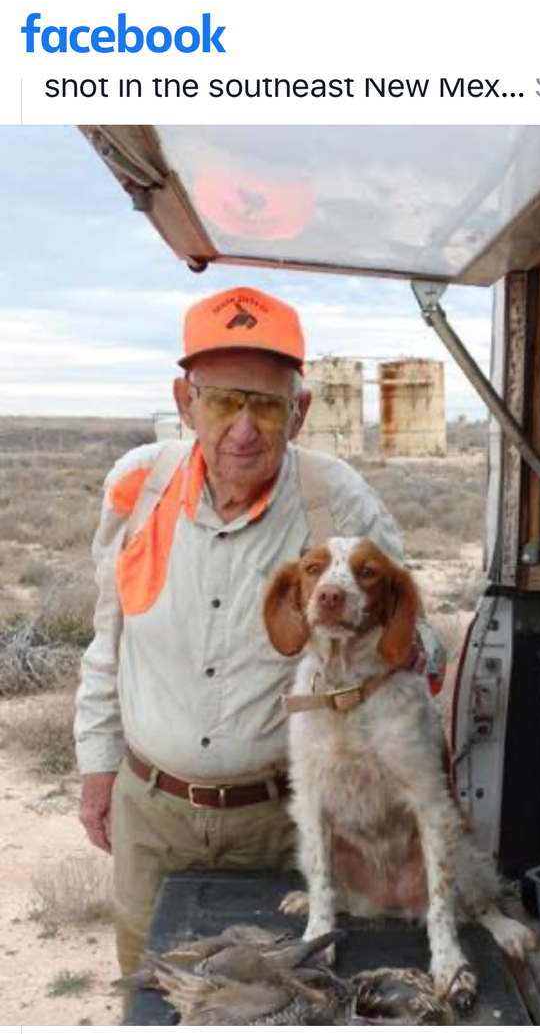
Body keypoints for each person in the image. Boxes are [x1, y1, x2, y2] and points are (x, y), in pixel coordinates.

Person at [74, 286, 443, 974]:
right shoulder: (138, 488)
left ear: (299, 412)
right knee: (152, 998)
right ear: (186, 402)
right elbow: (109, 640)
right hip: (150, 811)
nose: (243, 428)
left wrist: (410, 650)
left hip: (282, 824)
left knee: (275, 1007)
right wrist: (97, 768)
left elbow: (409, 629)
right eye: (222, 401)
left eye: (266, 405)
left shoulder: (336, 500)